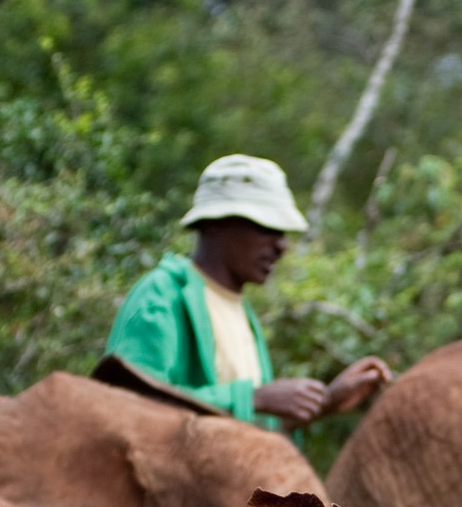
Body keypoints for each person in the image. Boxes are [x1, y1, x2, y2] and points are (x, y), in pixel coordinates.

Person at [100, 154, 392, 430]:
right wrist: (254, 398)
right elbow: (128, 407)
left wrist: (324, 402)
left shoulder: (241, 311)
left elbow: (244, 435)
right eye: (267, 227)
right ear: (214, 224)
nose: (281, 246)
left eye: (283, 233)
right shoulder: (162, 295)